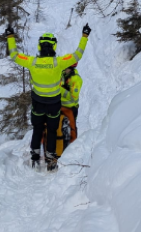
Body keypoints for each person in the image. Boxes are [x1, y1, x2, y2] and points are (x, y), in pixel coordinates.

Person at [5, 24, 91, 171]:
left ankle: (35, 156)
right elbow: (78, 55)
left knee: (37, 128)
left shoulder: (32, 62)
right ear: (54, 46)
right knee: (51, 131)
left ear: (40, 46)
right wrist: (84, 36)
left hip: (37, 103)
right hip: (54, 105)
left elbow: (14, 55)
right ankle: (51, 159)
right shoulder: (59, 62)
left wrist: (10, 37)